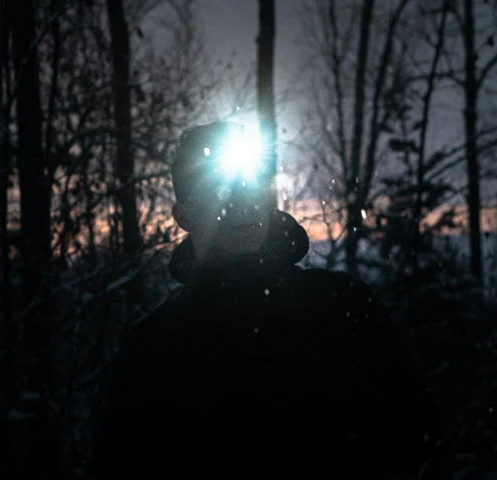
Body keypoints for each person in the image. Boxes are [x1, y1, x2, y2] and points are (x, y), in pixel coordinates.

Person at [92, 122, 440, 479]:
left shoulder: (342, 306)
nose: (241, 202)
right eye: (217, 190)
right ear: (184, 215)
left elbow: (415, 426)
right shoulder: (152, 348)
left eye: (250, 183)